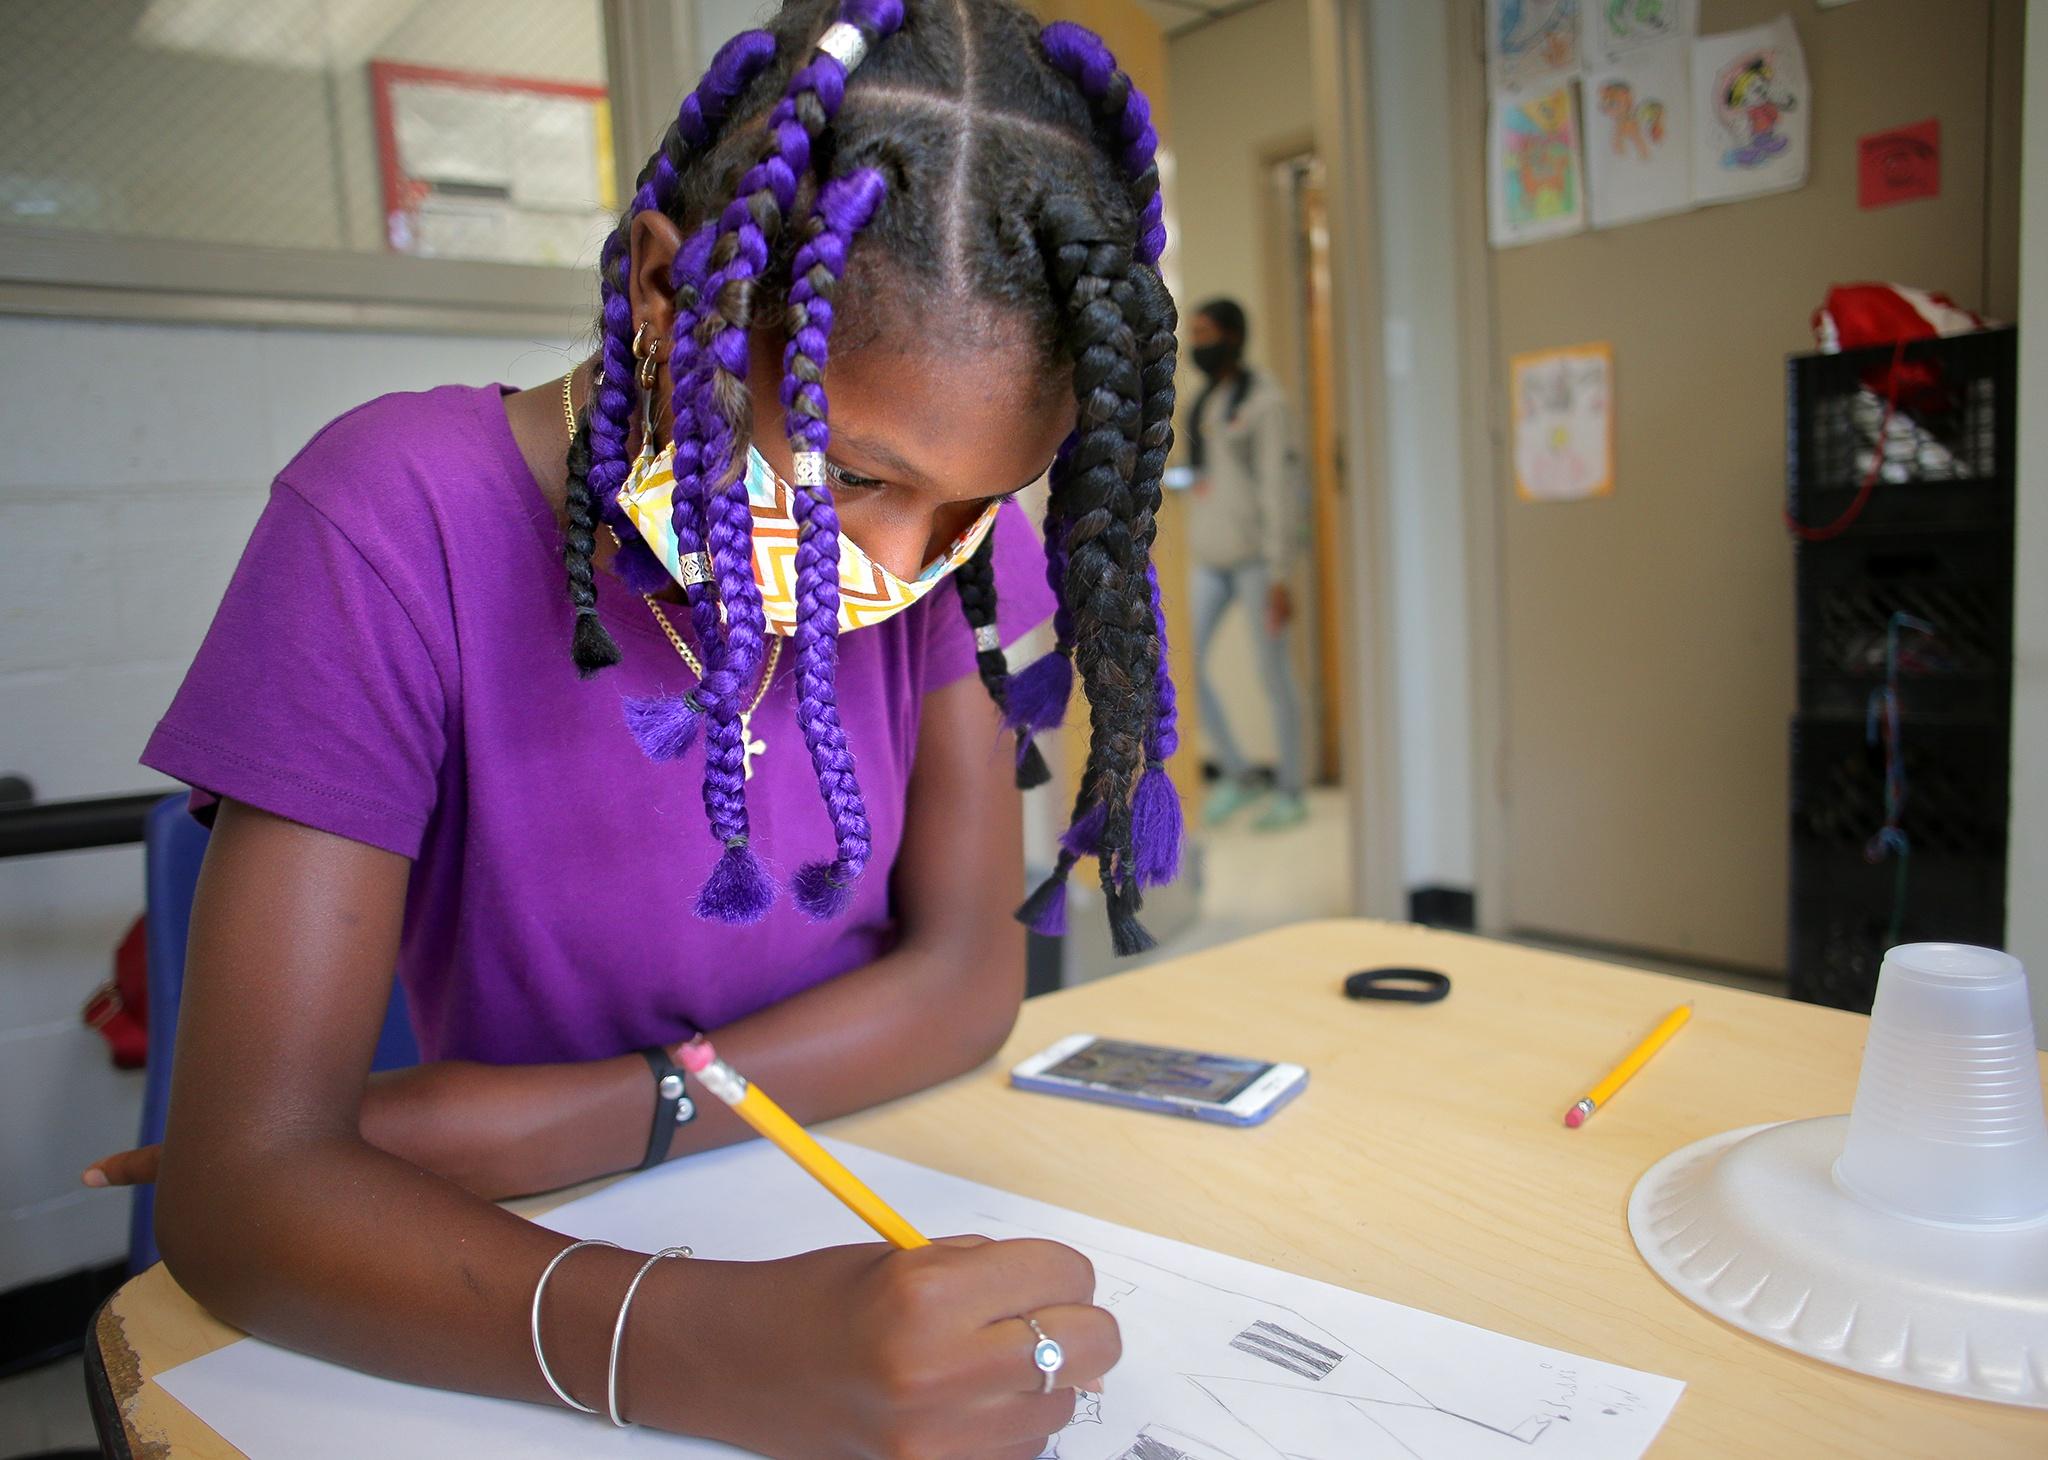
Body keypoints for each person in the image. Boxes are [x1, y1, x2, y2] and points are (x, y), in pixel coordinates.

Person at [80, 4, 1187, 1453]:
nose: (910, 566)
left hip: (794, 1175)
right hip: (547, 1267)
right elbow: (240, 1202)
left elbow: (967, 980)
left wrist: (578, 1116)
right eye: (856, 474)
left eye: (977, 505)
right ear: (669, 295)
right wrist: (717, 1346)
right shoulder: (391, 522)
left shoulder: (944, 568)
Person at [1184, 298, 1309, 832]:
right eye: (1193, 332)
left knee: (1272, 672)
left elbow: (1280, 491)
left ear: (1234, 336)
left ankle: (1291, 789)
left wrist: (1281, 573)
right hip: (1210, 558)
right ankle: (1237, 773)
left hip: (1259, 561)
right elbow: (1201, 475)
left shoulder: (1265, 403)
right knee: (1181, 663)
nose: (1197, 343)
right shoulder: (1206, 402)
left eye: (1206, 332)